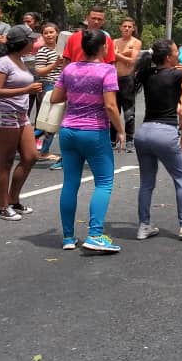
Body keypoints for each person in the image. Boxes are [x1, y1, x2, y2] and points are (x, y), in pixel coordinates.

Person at [132, 39, 182, 241]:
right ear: (168, 57)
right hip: (165, 133)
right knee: (181, 178)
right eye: (176, 51)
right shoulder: (176, 73)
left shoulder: (145, 73)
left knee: (146, 183)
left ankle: (144, 225)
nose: (179, 54)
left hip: (143, 133)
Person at [49, 29, 124, 252]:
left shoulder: (70, 68)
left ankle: (68, 237)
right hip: (94, 132)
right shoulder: (107, 70)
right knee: (104, 182)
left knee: (70, 183)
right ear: (104, 48)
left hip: (68, 130)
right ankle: (95, 234)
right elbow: (110, 105)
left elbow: (55, 98)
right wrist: (120, 130)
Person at [0, 24, 44, 220]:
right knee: (7, 161)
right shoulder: (4, 62)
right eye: (31, 40)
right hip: (4, 114)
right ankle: (3, 206)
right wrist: (26, 90)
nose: (34, 43)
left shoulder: (21, 60)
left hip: (21, 114)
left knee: (31, 156)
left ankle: (13, 198)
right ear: (21, 42)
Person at [33, 22, 63, 164]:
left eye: (51, 32)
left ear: (57, 33)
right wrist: (55, 64)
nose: (49, 35)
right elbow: (39, 71)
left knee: (52, 121)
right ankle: (42, 151)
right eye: (46, 33)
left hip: (62, 86)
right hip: (49, 86)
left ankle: (31, 145)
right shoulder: (42, 51)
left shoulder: (62, 49)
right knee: (50, 120)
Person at [113, 17, 142, 153]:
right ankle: (113, 138)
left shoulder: (136, 42)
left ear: (133, 28)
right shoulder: (114, 42)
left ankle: (130, 139)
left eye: (129, 27)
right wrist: (124, 54)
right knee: (113, 109)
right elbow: (109, 58)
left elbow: (132, 61)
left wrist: (118, 55)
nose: (127, 29)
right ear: (120, 27)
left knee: (129, 111)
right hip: (114, 78)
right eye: (124, 26)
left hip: (128, 79)